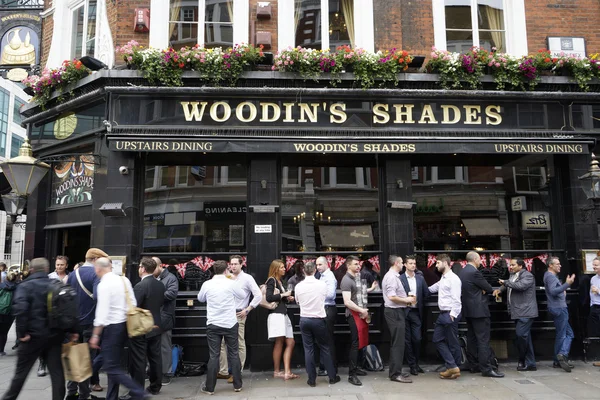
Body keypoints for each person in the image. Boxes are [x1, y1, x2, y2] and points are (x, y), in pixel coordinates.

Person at [2, 258, 78, 400]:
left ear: (31, 270)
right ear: (46, 269)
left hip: (32, 336)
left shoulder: (25, 286)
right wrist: (73, 330)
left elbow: (21, 310)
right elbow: (67, 308)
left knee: (21, 374)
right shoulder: (54, 284)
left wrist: (21, 334)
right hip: (54, 336)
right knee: (56, 373)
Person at [89, 257, 145, 400]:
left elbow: (102, 312)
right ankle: (112, 397)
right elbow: (133, 302)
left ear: (98, 269)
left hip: (112, 329)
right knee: (114, 364)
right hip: (126, 326)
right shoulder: (123, 280)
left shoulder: (103, 285)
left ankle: (139, 392)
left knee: (111, 367)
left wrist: (95, 335)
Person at [197, 260, 244, 395]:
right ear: (226, 270)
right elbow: (242, 295)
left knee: (214, 356)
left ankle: (210, 388)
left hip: (213, 324)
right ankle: (238, 385)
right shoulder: (231, 283)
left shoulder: (207, 284)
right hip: (230, 323)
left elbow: (200, 298)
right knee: (234, 354)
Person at [121, 258, 165, 399]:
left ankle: (137, 391)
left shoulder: (140, 286)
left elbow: (134, 307)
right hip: (156, 325)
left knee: (139, 360)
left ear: (143, 269)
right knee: (155, 358)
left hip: (142, 327)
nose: (138, 269)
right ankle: (156, 386)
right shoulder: (160, 285)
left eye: (139, 266)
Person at [458, 251, 504, 378]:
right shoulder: (475, 272)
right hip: (479, 310)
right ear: (475, 259)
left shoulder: (462, 272)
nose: (480, 262)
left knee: (472, 339)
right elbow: (489, 288)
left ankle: (474, 365)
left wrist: (481, 289)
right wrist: (484, 290)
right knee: (483, 340)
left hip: (468, 310)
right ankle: (486, 368)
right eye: (479, 260)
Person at [295, 261, 340, 387]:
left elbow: (297, 302)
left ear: (304, 271)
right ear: (315, 270)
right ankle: (332, 377)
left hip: (304, 319)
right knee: (325, 348)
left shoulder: (299, 286)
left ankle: (311, 380)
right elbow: (327, 297)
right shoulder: (321, 285)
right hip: (319, 319)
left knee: (308, 349)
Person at [66, 248, 104, 397]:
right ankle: (84, 394)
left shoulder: (72, 274)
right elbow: (97, 296)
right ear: (95, 260)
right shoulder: (95, 274)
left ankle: (71, 392)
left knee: (75, 358)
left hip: (74, 323)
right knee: (86, 360)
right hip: (90, 322)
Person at [218, 255, 261, 383]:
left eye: (236, 264)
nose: (233, 266)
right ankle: (224, 371)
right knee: (221, 342)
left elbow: (258, 295)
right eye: (231, 264)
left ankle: (237, 372)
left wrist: (248, 309)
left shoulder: (247, 278)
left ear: (242, 265)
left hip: (238, 314)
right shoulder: (226, 278)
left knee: (238, 343)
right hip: (224, 313)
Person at [493, 258, 538, 371]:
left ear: (520, 266)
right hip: (517, 311)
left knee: (521, 335)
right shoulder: (513, 275)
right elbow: (509, 284)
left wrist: (505, 282)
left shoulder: (527, 275)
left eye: (513, 265)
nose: (510, 267)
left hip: (526, 312)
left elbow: (520, 286)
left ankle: (523, 359)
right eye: (510, 265)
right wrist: (500, 289)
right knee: (525, 337)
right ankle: (530, 362)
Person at [428, 254, 462, 380]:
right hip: (443, 314)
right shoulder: (443, 278)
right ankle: (452, 366)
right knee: (437, 340)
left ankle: (454, 367)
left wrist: (453, 315)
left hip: (449, 314)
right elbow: (431, 289)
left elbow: (457, 299)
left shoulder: (453, 279)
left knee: (452, 342)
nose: (436, 265)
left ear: (446, 263)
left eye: (437, 263)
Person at [382, 255, 414, 383]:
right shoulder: (391, 277)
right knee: (398, 344)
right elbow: (392, 296)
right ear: (396, 263)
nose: (403, 265)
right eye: (401, 262)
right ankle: (395, 374)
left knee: (398, 343)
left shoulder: (393, 276)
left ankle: (396, 371)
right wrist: (406, 300)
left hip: (397, 311)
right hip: (394, 312)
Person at [265, 259, 297, 380]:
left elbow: (278, 297)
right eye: (282, 267)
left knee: (290, 342)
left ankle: (286, 371)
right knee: (279, 342)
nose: (284, 269)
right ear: (276, 269)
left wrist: (287, 298)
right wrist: (284, 295)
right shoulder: (272, 280)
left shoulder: (280, 281)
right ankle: (278, 371)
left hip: (283, 314)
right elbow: (269, 298)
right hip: (276, 315)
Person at [340, 255, 369, 386]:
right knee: (355, 344)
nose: (359, 266)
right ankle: (352, 375)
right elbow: (347, 302)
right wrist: (361, 310)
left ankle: (356, 368)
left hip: (359, 314)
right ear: (348, 265)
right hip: (353, 315)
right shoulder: (346, 280)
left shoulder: (355, 278)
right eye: (356, 264)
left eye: (359, 264)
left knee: (360, 342)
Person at [543, 256, 575, 372]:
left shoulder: (549, 276)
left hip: (557, 307)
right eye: (557, 264)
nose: (560, 265)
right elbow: (553, 291)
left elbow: (556, 291)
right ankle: (561, 354)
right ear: (550, 265)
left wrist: (563, 289)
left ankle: (558, 360)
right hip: (559, 308)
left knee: (568, 333)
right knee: (563, 335)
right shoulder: (550, 276)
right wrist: (567, 284)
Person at [399, 254, 429, 376]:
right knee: (407, 340)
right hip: (405, 311)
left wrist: (419, 302)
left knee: (417, 339)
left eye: (414, 263)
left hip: (416, 312)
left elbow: (426, 293)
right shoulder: (400, 278)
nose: (413, 265)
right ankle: (412, 365)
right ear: (405, 265)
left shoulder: (420, 278)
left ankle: (416, 363)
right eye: (410, 263)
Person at [152, 256, 179, 385]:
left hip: (165, 316)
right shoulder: (151, 277)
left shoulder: (171, 278)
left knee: (164, 346)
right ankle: (152, 371)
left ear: (160, 266)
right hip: (151, 317)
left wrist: (153, 295)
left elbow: (172, 294)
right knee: (151, 345)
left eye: (153, 268)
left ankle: (166, 373)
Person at [315, 256, 337, 377]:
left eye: (320, 265)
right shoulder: (321, 276)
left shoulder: (329, 276)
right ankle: (324, 367)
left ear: (326, 264)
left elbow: (330, 295)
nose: (318, 267)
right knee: (322, 340)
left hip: (328, 309)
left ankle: (331, 368)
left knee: (327, 340)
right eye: (317, 265)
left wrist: (316, 293)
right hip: (322, 309)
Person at [0, 272, 17, 356]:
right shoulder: (17, 287)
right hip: (10, 313)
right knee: (4, 332)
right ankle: (1, 350)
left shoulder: (1, 285)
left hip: (0, 311)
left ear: (6, 278)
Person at [588, 257, 600, 337]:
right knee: (596, 332)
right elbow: (591, 293)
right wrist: (591, 305)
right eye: (593, 265)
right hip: (594, 308)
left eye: (596, 265)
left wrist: (598, 291)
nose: (594, 267)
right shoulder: (593, 278)